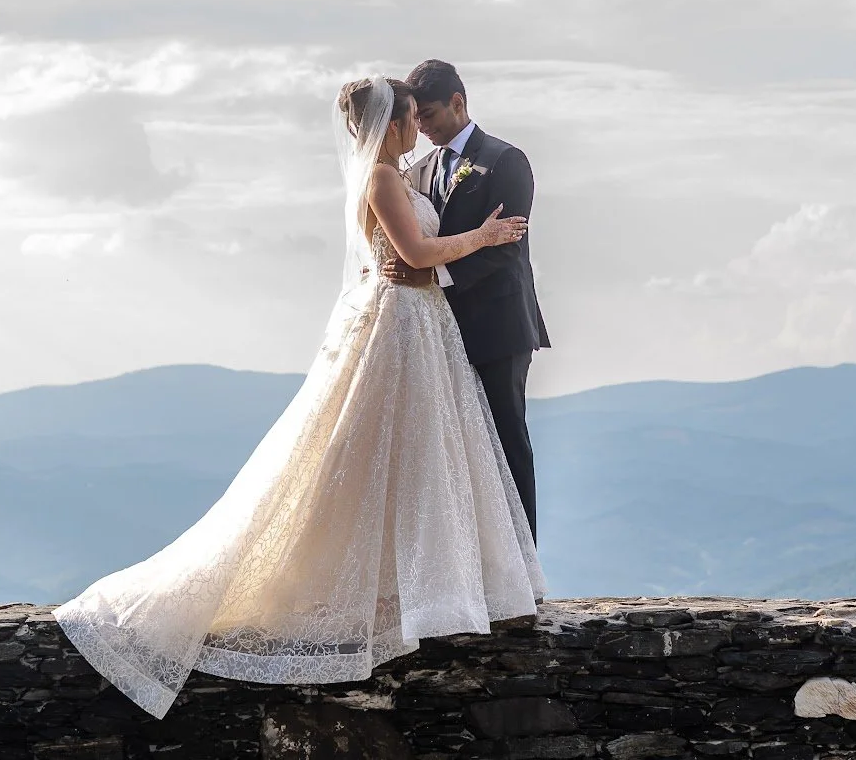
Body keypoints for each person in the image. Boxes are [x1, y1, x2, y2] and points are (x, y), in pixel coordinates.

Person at [53, 76, 546, 720]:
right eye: (406, 119)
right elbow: (416, 252)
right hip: (402, 323)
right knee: (372, 455)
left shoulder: (417, 170)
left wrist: (430, 261)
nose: (414, 128)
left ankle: (436, 588)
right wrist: (479, 237)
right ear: (387, 124)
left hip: (425, 325)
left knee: (430, 456)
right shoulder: (384, 178)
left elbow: (412, 256)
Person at [383, 60, 550, 541]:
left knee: (506, 441)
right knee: (462, 453)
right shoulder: (420, 169)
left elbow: (506, 248)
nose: (423, 127)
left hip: (499, 325)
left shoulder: (505, 160)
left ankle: (525, 563)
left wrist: (432, 275)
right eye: (416, 117)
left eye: (430, 115)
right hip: (441, 329)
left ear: (459, 102)